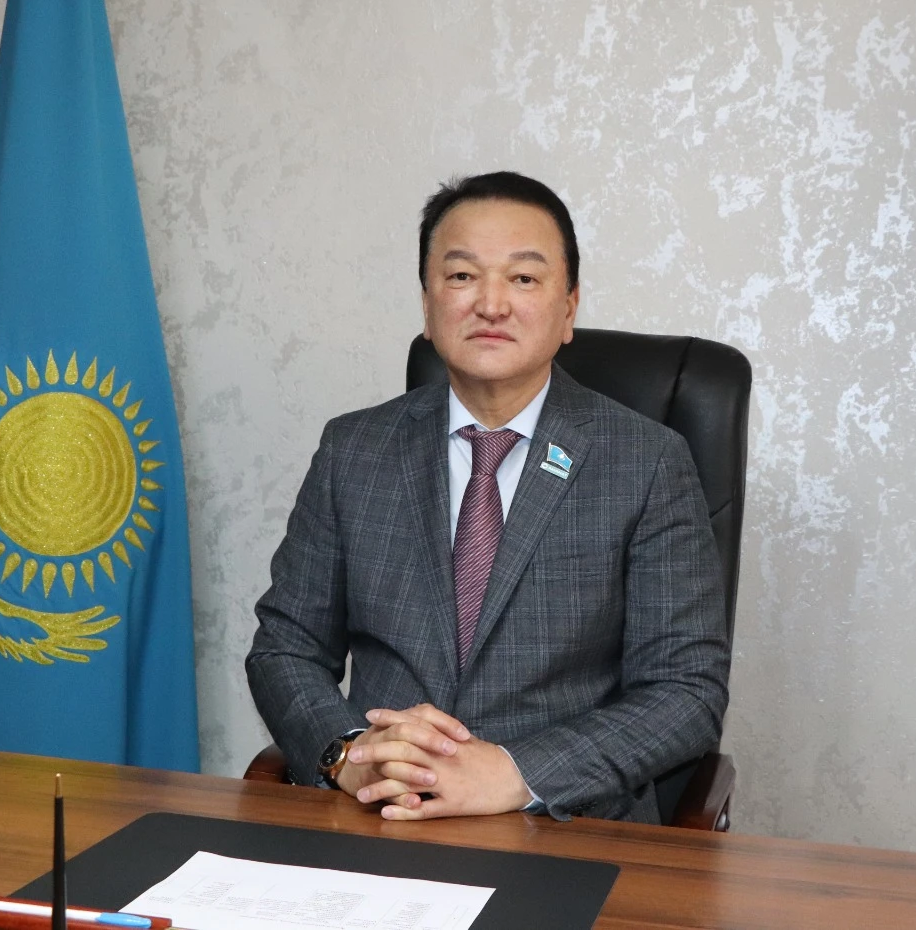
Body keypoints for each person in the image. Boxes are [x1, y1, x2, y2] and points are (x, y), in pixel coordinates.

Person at [246, 172, 730, 823]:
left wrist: (518, 773)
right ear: (427, 304)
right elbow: (286, 648)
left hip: (560, 827)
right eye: (462, 276)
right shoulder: (353, 450)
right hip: (380, 815)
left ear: (568, 309)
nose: (492, 304)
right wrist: (349, 753)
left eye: (524, 278)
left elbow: (686, 692)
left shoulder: (647, 462)